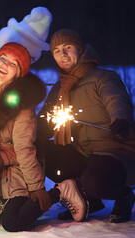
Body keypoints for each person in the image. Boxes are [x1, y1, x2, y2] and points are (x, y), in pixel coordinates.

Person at [0, 42, 89, 232]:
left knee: (12, 223)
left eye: (13, 64)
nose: (5, 65)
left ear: (19, 73)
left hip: (17, 166)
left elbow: (25, 149)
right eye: (3, 59)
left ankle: (61, 191)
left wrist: (36, 187)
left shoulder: (21, 106)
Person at [36, 29, 135, 223]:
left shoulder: (103, 77)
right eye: (56, 51)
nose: (63, 55)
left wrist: (120, 119)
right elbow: (45, 120)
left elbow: (116, 99)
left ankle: (123, 195)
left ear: (79, 49)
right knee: (43, 150)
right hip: (83, 153)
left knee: (94, 181)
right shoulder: (59, 88)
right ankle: (90, 200)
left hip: (115, 154)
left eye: (67, 48)